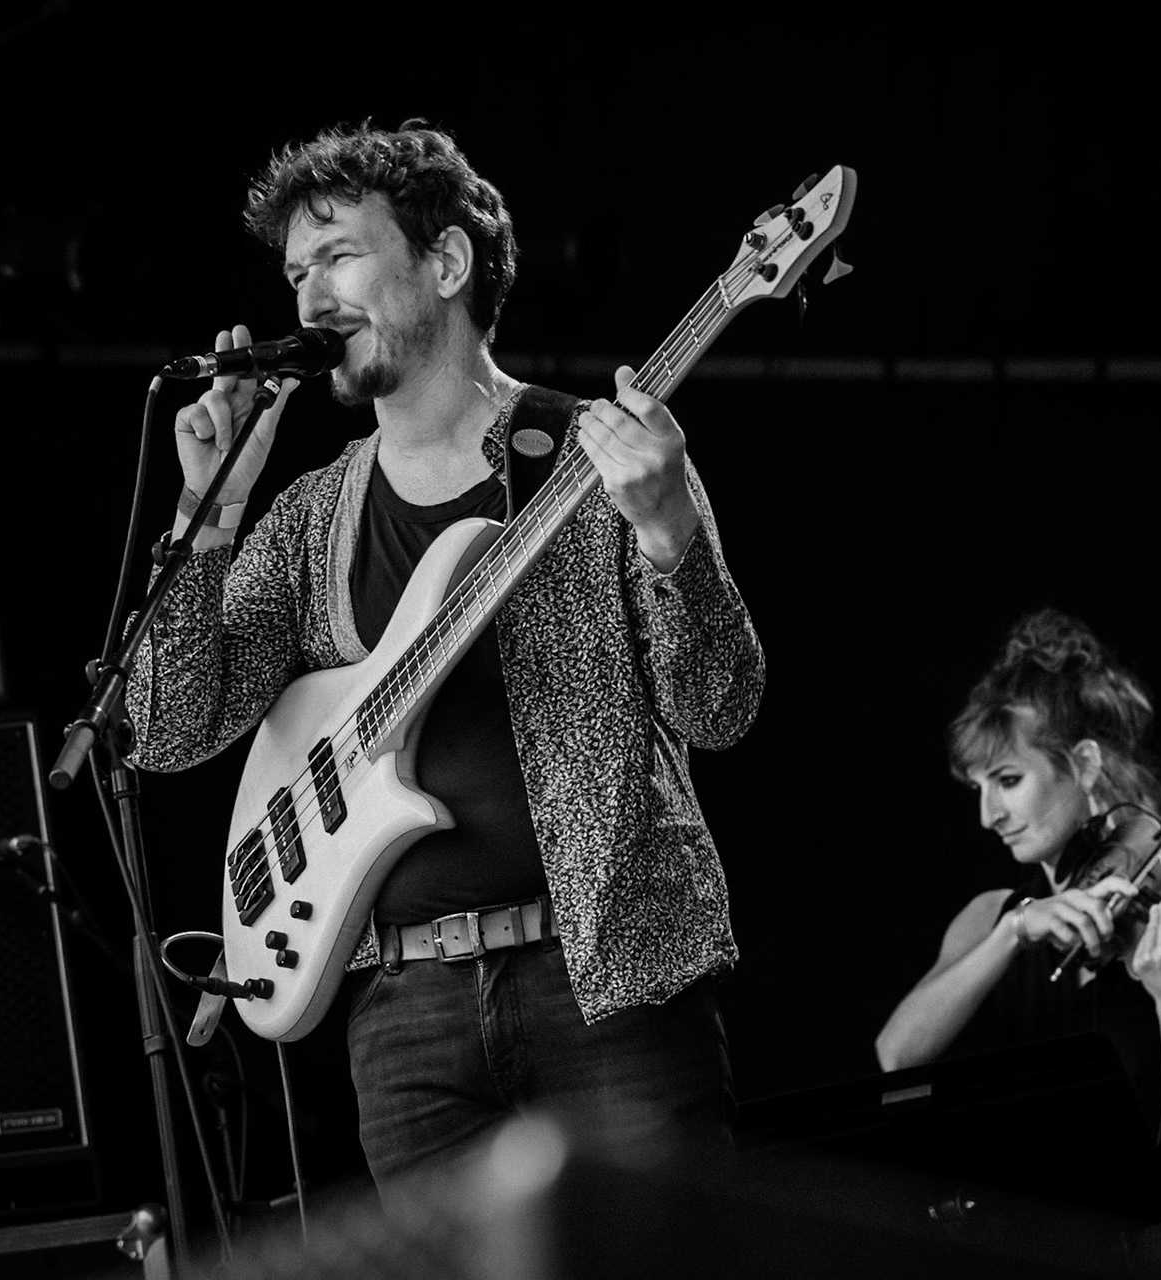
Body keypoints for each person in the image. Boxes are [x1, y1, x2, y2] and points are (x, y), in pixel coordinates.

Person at [123, 119, 764, 1193]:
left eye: (338, 256)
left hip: (603, 976)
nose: (309, 299)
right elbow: (169, 727)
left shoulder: (596, 453)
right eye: (294, 273)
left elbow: (722, 705)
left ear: (447, 262)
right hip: (402, 1012)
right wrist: (207, 513)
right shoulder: (308, 517)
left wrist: (668, 533)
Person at [875, 609, 1161, 1279]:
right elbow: (895, 1054)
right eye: (979, 789)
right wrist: (1018, 930)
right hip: (1062, 1235)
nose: (989, 817)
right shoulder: (993, 916)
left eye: (1008, 781)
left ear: (1084, 764)